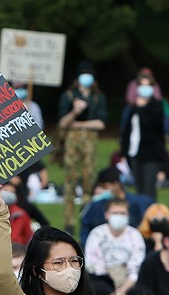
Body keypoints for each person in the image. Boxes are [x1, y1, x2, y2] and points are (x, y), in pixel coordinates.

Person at [57, 61, 108, 231]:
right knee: (70, 182)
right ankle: (69, 222)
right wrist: (76, 112)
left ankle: (87, 217)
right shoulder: (69, 96)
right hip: (73, 142)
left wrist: (78, 124)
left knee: (89, 180)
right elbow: (63, 123)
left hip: (90, 141)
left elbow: (101, 123)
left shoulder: (98, 97)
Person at [83, 198, 147, 295]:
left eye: (122, 213)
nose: (119, 216)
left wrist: (121, 292)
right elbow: (93, 263)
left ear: (128, 216)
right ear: (107, 215)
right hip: (102, 282)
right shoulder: (97, 234)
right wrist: (112, 291)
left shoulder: (135, 235)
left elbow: (136, 267)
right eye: (115, 213)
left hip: (129, 283)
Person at [121, 73, 167, 200]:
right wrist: (124, 152)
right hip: (134, 153)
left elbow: (151, 126)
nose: (145, 88)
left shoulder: (156, 106)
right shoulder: (133, 107)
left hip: (150, 154)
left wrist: (141, 109)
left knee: (149, 189)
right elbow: (127, 131)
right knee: (139, 189)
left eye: (148, 85)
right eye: (142, 85)